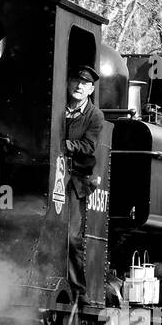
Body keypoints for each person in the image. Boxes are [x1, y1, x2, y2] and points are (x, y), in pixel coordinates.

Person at [64, 64, 104, 295]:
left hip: (75, 179)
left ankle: (78, 289)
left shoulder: (94, 116)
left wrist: (68, 145)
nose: (79, 86)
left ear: (90, 90)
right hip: (54, 173)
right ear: (68, 83)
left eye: (85, 84)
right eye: (76, 81)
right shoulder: (59, 108)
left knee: (72, 236)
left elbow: (89, 146)